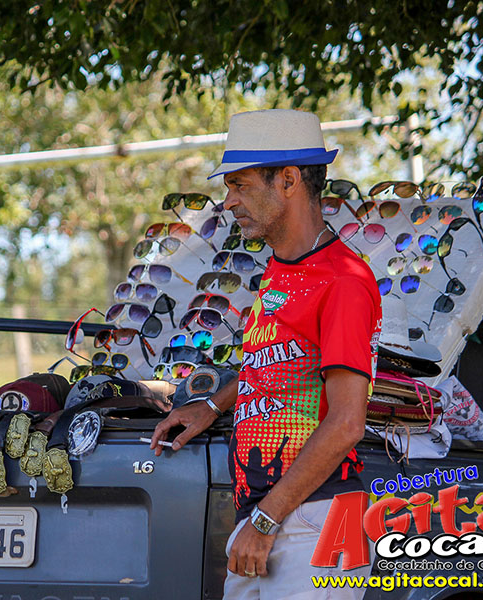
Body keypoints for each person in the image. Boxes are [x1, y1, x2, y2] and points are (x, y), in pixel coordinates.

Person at [151, 109, 381, 599]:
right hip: (268, 518)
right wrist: (212, 406)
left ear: (290, 180)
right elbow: (272, 362)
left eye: (239, 184)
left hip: (314, 523)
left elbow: (346, 423)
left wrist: (264, 518)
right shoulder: (281, 269)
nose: (229, 201)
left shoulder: (342, 280)